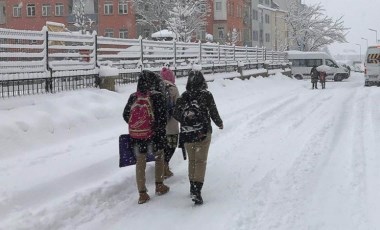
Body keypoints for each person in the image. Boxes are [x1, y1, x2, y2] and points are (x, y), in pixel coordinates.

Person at [173, 70, 223, 205]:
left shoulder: (184, 96)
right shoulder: (206, 95)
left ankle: (192, 186)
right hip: (203, 132)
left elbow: (175, 113)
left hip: (187, 133)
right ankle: (197, 190)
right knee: (200, 162)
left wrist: (186, 119)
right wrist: (219, 123)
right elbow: (213, 111)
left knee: (192, 161)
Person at [122, 70, 170, 204]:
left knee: (140, 161)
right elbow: (162, 118)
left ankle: (142, 193)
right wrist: (154, 128)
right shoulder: (157, 96)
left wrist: (138, 126)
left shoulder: (133, 97)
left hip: (137, 136)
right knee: (159, 156)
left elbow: (126, 115)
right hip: (155, 135)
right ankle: (159, 185)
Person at [160, 66, 180, 178]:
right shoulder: (173, 88)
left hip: (159, 124)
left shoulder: (156, 87)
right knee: (171, 146)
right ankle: (165, 166)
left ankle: (161, 166)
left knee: (162, 147)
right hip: (171, 124)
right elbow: (179, 105)